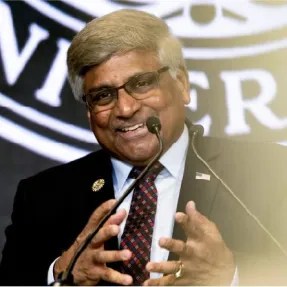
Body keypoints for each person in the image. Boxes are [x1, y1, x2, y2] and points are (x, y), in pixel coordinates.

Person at [0, 9, 287, 286]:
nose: (125, 108)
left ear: (182, 84)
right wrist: (62, 274)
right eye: (103, 95)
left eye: (141, 83)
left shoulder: (269, 172)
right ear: (89, 112)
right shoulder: (42, 197)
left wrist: (232, 277)